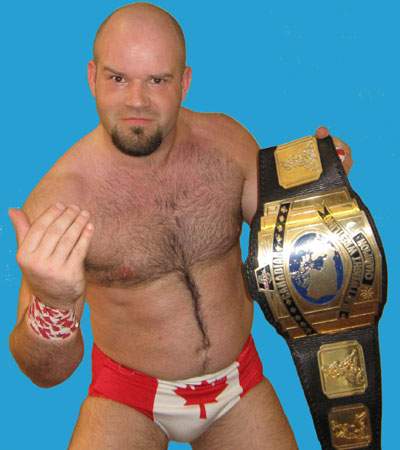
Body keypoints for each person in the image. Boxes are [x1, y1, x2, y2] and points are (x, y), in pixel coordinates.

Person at [8, 3, 352, 449]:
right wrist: (53, 306)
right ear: (92, 78)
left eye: (158, 80)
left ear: (184, 83)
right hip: (126, 400)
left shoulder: (228, 143)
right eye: (117, 78)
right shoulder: (60, 202)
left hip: (239, 383)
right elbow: (45, 373)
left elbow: (289, 245)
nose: (137, 100)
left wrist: (321, 192)